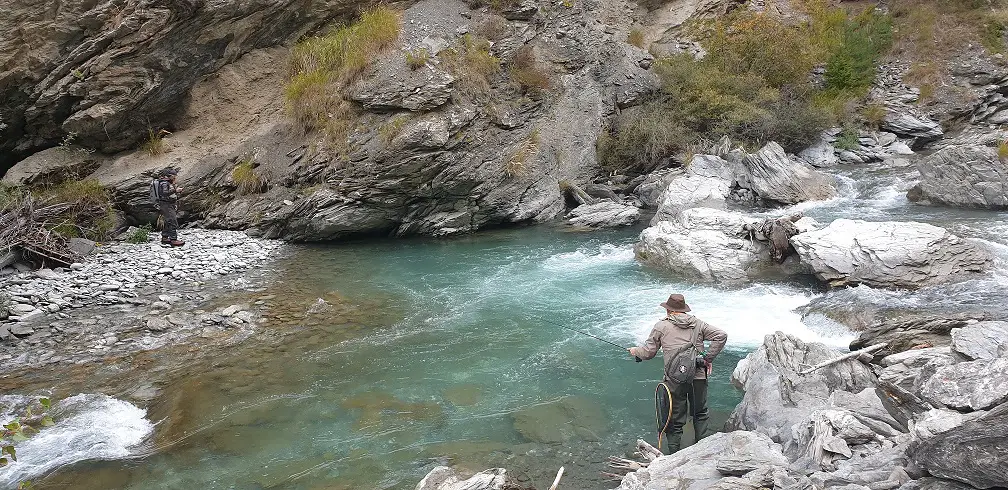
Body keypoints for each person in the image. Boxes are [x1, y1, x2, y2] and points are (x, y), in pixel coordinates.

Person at [629, 293, 727, 454]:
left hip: (674, 378)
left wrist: (634, 351)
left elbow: (647, 353)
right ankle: (702, 451)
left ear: (668, 310)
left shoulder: (661, 326)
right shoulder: (698, 324)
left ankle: (674, 454)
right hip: (698, 375)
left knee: (674, 417)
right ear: (683, 309)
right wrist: (707, 358)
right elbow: (721, 335)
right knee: (700, 413)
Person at [151, 168, 185, 247]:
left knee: (167, 221)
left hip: (166, 204)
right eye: (174, 176)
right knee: (172, 221)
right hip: (166, 205)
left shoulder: (165, 182)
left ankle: (165, 237)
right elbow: (164, 193)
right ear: (169, 176)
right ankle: (173, 239)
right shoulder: (164, 183)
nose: (175, 177)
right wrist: (176, 190)